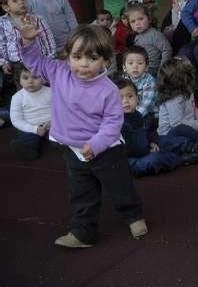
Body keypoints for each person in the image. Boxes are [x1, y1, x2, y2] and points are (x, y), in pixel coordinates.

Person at [18, 22, 146, 248]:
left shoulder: (107, 89)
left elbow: (113, 122)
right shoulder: (59, 72)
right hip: (71, 148)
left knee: (119, 185)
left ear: (105, 61)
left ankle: (133, 215)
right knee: (82, 192)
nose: (83, 64)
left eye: (92, 57)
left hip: (106, 149)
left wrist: (96, 144)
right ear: (68, 56)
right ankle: (83, 233)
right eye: (77, 57)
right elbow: (35, 63)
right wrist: (28, 42)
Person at [114, 76, 183, 177]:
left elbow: (148, 132)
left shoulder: (138, 115)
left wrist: (152, 142)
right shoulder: (116, 122)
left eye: (130, 96)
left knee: (168, 142)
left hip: (145, 151)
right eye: (120, 98)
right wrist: (147, 150)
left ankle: (184, 153)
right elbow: (129, 148)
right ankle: (179, 159)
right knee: (153, 160)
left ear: (138, 98)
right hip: (129, 160)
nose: (125, 101)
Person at [0, 0, 56, 73]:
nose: (21, 2)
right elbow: (1, 44)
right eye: (15, 1)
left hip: (39, 61)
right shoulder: (2, 23)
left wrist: (50, 58)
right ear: (6, 7)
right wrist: (4, 62)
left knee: (41, 85)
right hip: (16, 65)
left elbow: (47, 38)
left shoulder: (37, 18)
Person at [9, 63, 51, 160]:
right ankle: (26, 149)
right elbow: (16, 120)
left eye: (35, 77)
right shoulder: (17, 97)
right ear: (19, 80)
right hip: (30, 126)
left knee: (60, 136)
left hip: (50, 125)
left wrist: (52, 122)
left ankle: (63, 146)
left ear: (44, 78)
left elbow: (59, 110)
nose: (30, 81)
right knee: (27, 138)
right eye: (25, 78)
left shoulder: (51, 92)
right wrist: (34, 129)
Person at [125, 4, 171, 76]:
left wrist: (162, 69)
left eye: (140, 19)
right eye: (133, 21)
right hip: (140, 69)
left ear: (149, 19)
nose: (137, 23)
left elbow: (167, 49)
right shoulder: (136, 37)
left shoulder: (155, 34)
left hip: (153, 70)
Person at [121, 46, 157, 117]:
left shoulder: (150, 82)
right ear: (124, 67)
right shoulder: (123, 79)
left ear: (146, 67)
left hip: (148, 114)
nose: (135, 66)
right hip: (128, 112)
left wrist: (132, 118)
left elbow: (145, 106)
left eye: (140, 63)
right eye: (130, 63)